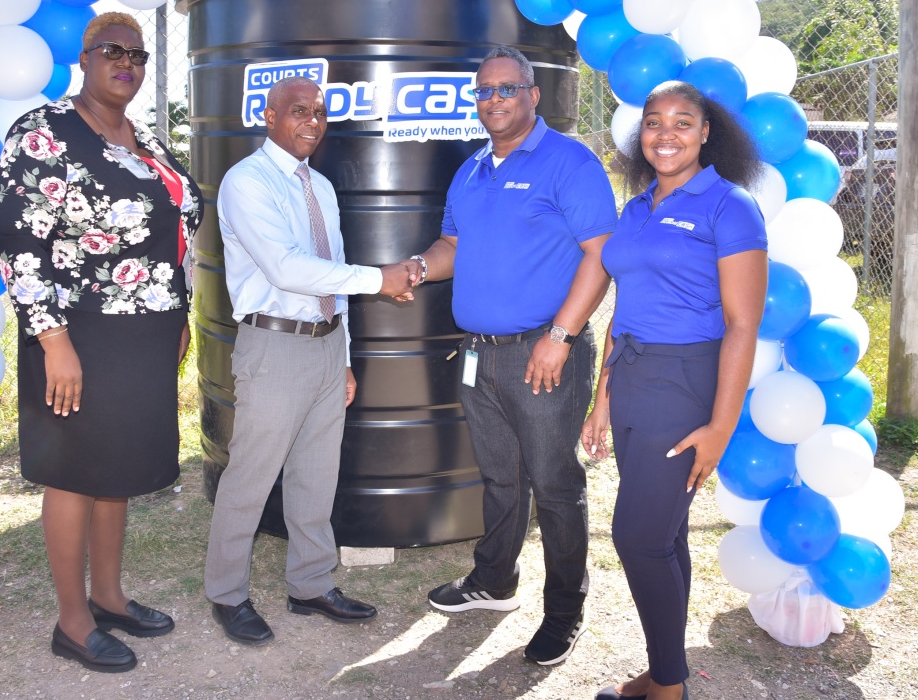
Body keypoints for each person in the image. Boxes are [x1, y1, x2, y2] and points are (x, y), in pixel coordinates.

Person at [0, 12, 203, 674]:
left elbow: (176, 236)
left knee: (117, 470)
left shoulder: (148, 141)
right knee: (76, 473)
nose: (128, 62)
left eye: (138, 54)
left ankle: (109, 596)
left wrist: (180, 315)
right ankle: (73, 620)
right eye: (113, 50)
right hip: (76, 334)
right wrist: (52, 339)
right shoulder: (45, 133)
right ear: (83, 58)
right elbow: (17, 241)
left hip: (144, 334)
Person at [401, 45, 617, 666]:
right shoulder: (471, 170)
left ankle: (564, 610)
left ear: (533, 94)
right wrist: (418, 266)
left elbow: (599, 255)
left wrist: (561, 337)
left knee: (554, 484)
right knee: (500, 476)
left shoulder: (569, 162)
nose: (493, 100)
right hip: (480, 356)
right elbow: (451, 244)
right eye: (484, 91)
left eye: (506, 89)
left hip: (544, 354)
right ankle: (494, 582)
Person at [205, 76, 413, 647]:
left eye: (319, 113)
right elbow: (288, 268)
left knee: (316, 474)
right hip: (274, 345)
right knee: (251, 474)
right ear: (268, 117)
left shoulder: (318, 186)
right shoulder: (246, 182)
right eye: (299, 111)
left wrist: (342, 358)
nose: (312, 122)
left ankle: (311, 584)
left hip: (325, 344)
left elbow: (332, 275)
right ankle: (226, 593)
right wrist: (382, 279)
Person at [583, 81, 768, 700]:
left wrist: (720, 427)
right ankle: (668, 673)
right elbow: (623, 309)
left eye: (682, 122)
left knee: (637, 537)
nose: (666, 135)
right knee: (665, 536)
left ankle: (667, 687)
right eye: (654, 123)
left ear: (707, 132)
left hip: (685, 381)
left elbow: (743, 324)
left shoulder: (729, 206)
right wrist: (601, 398)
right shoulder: (635, 209)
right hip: (632, 376)